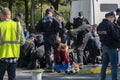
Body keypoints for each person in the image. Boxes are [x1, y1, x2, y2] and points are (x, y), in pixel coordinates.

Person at [0, 8, 25, 80]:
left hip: (2, 56)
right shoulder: (18, 25)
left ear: (3, 15)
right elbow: (22, 42)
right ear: (10, 15)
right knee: (12, 77)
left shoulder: (0, 26)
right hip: (14, 56)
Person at [97, 12, 120, 80]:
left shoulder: (100, 25)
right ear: (111, 17)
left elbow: (100, 35)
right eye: (113, 18)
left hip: (104, 47)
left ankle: (102, 78)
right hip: (112, 47)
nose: (114, 19)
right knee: (114, 67)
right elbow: (116, 35)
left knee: (104, 66)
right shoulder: (110, 24)